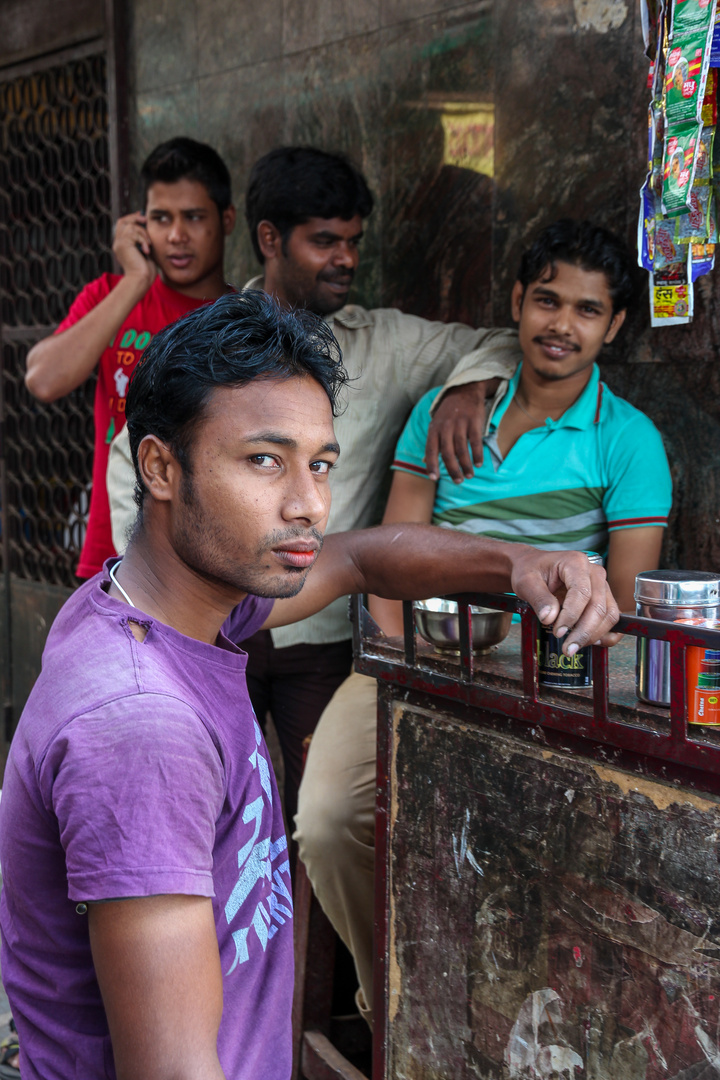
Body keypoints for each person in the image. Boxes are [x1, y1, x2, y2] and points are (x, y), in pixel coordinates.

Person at [0, 291, 619, 1080]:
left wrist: (519, 564)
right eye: (264, 460)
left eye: (319, 463)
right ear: (158, 466)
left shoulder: (152, 605)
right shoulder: (142, 727)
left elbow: (362, 558)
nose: (309, 504)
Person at [295, 218, 673, 1029]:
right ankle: (394, 1000)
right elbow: (391, 562)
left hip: (558, 677)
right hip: (419, 661)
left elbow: (630, 612)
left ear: (612, 326)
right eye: (545, 300)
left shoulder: (628, 440)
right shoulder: (443, 410)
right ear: (515, 302)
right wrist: (395, 665)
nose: (560, 326)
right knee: (328, 819)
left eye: (585, 310)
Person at [107, 145, 524, 826]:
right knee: (201, 818)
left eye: (354, 241)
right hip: (209, 628)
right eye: (324, 240)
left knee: (319, 824)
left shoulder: (385, 343)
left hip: (322, 632)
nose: (347, 259)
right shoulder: (201, 345)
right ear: (270, 239)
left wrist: (468, 385)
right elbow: (133, 469)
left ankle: (300, 939)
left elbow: (505, 339)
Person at [25, 136, 236, 578]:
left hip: (208, 558)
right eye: (161, 218)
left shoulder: (244, 316)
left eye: (193, 217)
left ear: (227, 220)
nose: (176, 235)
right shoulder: (109, 295)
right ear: (140, 225)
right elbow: (43, 380)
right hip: (113, 549)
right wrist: (135, 282)